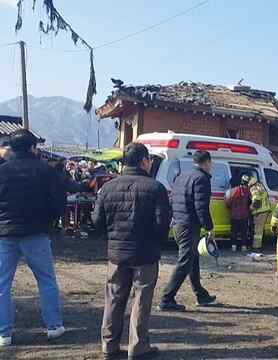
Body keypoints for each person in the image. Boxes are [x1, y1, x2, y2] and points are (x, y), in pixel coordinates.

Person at [92, 142, 170, 360]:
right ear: (144, 161)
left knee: (114, 299)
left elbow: (97, 222)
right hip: (145, 254)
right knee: (141, 300)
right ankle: (138, 347)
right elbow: (162, 224)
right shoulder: (155, 188)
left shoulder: (107, 187)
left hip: (116, 254)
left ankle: (108, 347)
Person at [0, 129, 66, 347]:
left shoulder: (2, 171)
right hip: (36, 233)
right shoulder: (45, 171)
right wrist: (48, 221)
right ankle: (54, 326)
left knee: (2, 285)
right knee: (46, 281)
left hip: (5, 234)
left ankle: (4, 334)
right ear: (32, 148)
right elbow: (58, 203)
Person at [160, 150, 216, 311]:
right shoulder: (202, 179)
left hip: (178, 224)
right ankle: (166, 298)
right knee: (185, 261)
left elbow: (173, 200)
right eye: (210, 164)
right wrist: (209, 227)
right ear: (207, 162)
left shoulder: (182, 176)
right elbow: (201, 207)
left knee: (193, 259)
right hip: (189, 226)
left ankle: (201, 294)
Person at [225, 175, 252, 252]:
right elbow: (250, 202)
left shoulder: (232, 191)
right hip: (244, 215)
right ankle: (244, 247)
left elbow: (227, 202)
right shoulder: (248, 192)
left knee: (234, 232)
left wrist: (230, 208)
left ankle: (233, 247)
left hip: (234, 215)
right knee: (244, 232)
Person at [248, 177, 270, 250]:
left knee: (258, 230)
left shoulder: (254, 188)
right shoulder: (260, 186)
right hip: (265, 210)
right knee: (260, 229)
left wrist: (250, 208)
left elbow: (256, 201)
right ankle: (260, 244)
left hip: (260, 211)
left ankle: (256, 246)